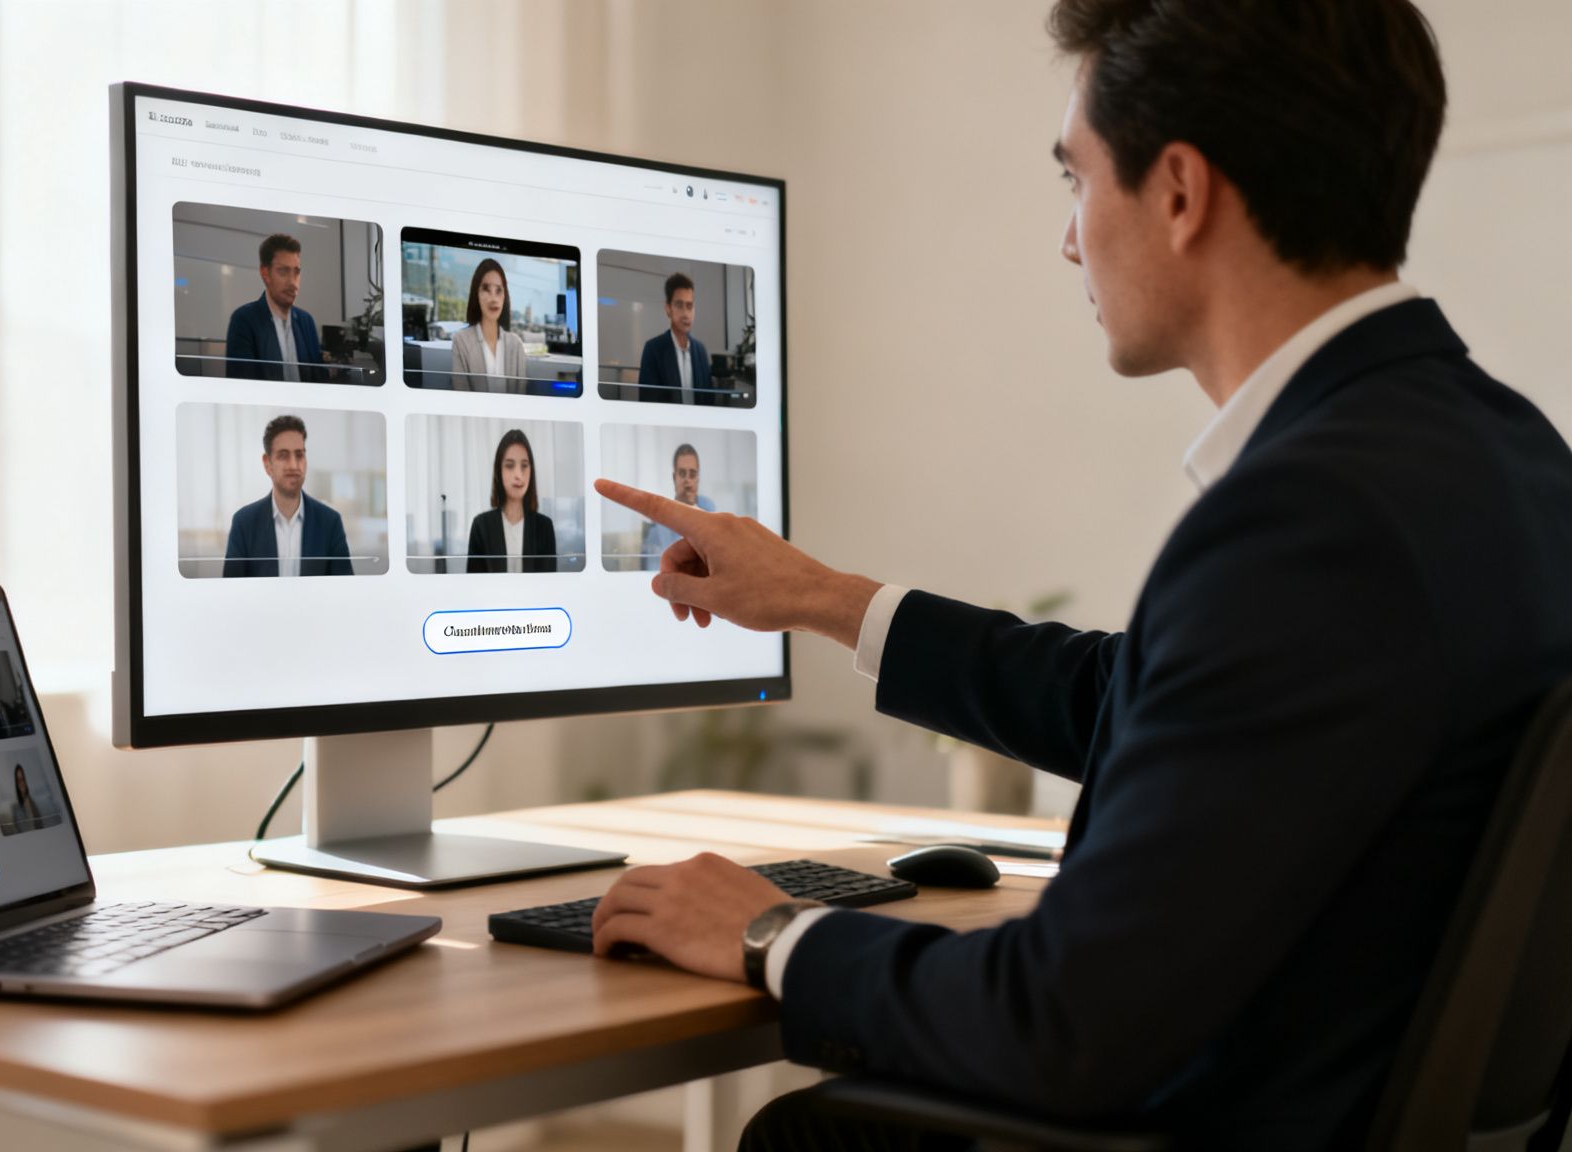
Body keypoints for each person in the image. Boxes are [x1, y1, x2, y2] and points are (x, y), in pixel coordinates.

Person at [589, 2, 1572, 1147]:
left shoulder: (1309, 519)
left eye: (1075, 177)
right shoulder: (1508, 456)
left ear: (1177, 193)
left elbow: (1063, 1025)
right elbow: (1170, 706)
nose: (1068, 238)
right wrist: (825, 599)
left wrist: (774, 934)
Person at [222, 414, 355, 576]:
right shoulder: (243, 523)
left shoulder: (330, 522)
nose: (293, 465)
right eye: (283, 456)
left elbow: (344, 592)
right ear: (267, 464)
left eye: (299, 455)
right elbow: (233, 594)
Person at [224, 233, 325, 382]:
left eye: (296, 272)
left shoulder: (307, 321)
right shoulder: (244, 320)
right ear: (265, 274)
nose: (292, 282)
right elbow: (242, 388)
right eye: (283, 271)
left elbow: (320, 381)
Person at [467, 428, 559, 574]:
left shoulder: (544, 527)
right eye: (510, 465)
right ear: (499, 471)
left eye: (524, 465)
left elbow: (548, 587)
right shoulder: (481, 526)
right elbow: (475, 586)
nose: (518, 475)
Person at [449, 258, 530, 392]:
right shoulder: (461, 340)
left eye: (499, 290)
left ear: (505, 296)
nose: (493, 298)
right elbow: (460, 394)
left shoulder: (516, 344)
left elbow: (521, 396)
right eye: (486, 289)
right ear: (477, 294)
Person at [634, 272, 713, 404]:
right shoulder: (653, 349)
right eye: (679, 305)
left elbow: (709, 400)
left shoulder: (701, 350)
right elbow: (647, 401)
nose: (685, 314)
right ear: (668, 309)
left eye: (689, 306)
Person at [641, 443, 716, 572]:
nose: (687, 480)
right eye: (682, 473)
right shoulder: (659, 524)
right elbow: (654, 573)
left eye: (692, 474)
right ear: (674, 477)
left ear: (698, 478)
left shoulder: (710, 510)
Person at [6, 762, 48, 833]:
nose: (21, 783)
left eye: (23, 779)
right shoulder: (15, 808)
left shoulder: (34, 803)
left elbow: (40, 825)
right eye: (18, 780)